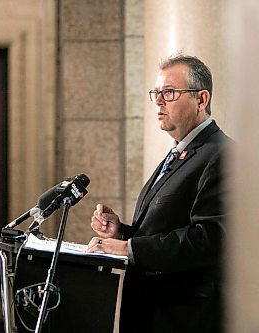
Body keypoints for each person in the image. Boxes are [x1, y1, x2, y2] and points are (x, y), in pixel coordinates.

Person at [87, 53, 231, 333]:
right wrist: (123, 233)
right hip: (151, 311)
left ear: (201, 99)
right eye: (156, 92)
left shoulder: (221, 154)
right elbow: (166, 228)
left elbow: (211, 238)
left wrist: (130, 249)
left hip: (185, 317)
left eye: (170, 92)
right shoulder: (179, 153)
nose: (158, 101)